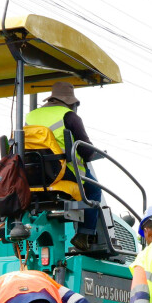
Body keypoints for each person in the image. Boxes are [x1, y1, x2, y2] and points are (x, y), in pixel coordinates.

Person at [25, 81, 103, 245]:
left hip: (31, 174)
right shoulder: (69, 116)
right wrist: (91, 154)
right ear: (70, 102)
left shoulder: (31, 116)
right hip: (61, 172)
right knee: (95, 189)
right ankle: (84, 235)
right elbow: (86, 151)